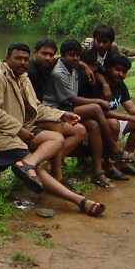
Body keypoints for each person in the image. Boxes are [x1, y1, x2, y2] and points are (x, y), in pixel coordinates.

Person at [0, 42, 106, 217]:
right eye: (18, 58)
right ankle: (80, 201)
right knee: (39, 172)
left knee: (56, 139)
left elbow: (37, 107)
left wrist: (61, 115)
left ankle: (28, 163)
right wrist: (17, 129)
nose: (22, 62)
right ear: (7, 59)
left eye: (25, 59)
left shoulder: (23, 78)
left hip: (19, 132)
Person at [43, 39, 123, 189]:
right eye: (71, 55)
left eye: (78, 55)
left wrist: (83, 65)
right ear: (63, 56)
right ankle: (114, 149)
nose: (75, 58)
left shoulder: (73, 67)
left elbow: (90, 66)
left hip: (67, 108)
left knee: (92, 125)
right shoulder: (59, 73)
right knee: (96, 108)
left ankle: (98, 171)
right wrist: (98, 101)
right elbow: (72, 99)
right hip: (57, 110)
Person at [28, 39, 87, 186]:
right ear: (35, 53)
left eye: (51, 55)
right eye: (44, 54)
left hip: (43, 111)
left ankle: (49, 166)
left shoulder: (49, 64)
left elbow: (64, 58)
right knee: (57, 127)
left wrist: (84, 65)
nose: (47, 58)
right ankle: (57, 175)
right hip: (32, 117)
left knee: (79, 130)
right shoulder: (29, 72)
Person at [79, 55, 135, 177]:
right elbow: (99, 111)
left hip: (111, 121)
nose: (120, 74)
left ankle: (124, 159)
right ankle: (109, 164)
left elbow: (130, 107)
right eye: (118, 69)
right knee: (113, 122)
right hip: (95, 123)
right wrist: (128, 117)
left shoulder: (120, 85)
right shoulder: (95, 84)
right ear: (109, 68)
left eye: (124, 72)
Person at [81, 24, 121, 100]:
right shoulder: (85, 48)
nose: (101, 45)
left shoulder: (114, 49)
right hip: (85, 76)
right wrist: (85, 66)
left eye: (105, 42)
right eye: (98, 41)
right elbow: (73, 58)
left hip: (102, 73)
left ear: (111, 42)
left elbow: (117, 65)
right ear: (94, 39)